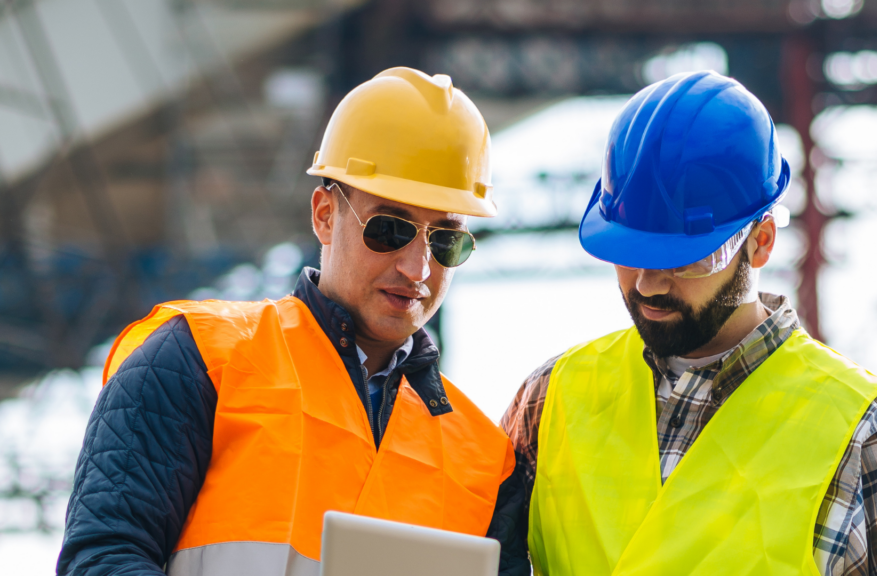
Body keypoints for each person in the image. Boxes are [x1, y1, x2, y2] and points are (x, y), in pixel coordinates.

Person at [58, 67, 528, 576]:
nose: (417, 268)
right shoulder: (196, 361)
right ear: (325, 215)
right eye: (389, 229)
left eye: (445, 241)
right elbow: (103, 559)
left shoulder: (487, 464)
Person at [501, 71, 877, 575]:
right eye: (630, 254)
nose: (649, 285)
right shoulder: (549, 400)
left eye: (686, 259)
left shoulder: (865, 432)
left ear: (760, 242)